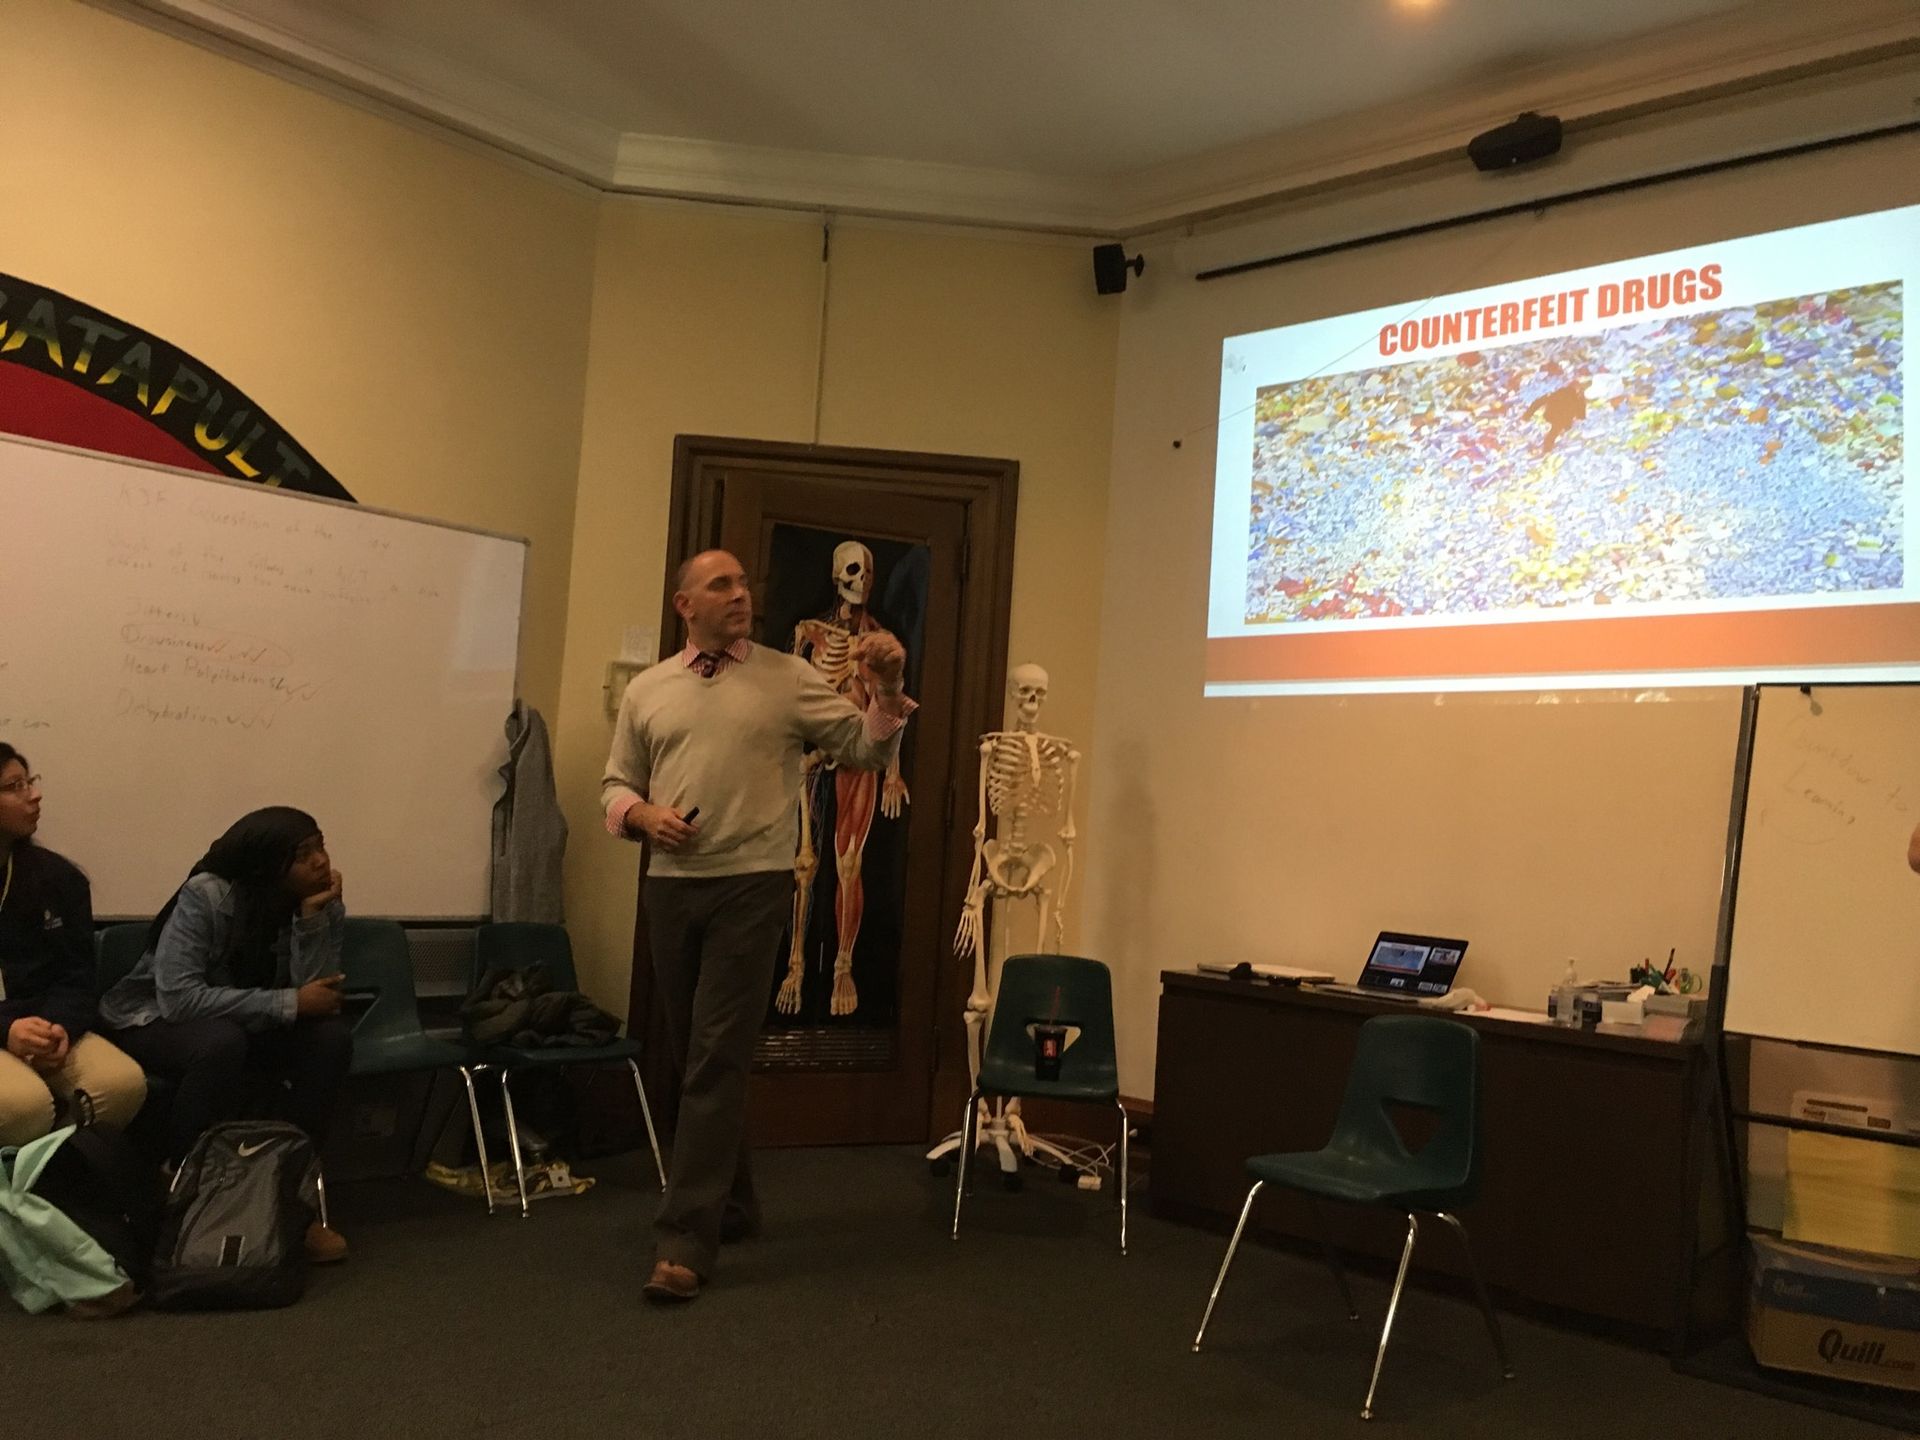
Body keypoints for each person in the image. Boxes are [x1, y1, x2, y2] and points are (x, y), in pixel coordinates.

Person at [604, 549, 913, 1304]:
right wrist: (642, 815)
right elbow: (615, 784)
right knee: (692, 1056)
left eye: (745, 582)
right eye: (722, 585)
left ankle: (684, 1239)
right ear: (686, 606)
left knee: (714, 1056)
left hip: (754, 887)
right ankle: (733, 1204)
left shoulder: (788, 677)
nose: (741, 594)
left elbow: (866, 749)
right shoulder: (649, 690)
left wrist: (891, 687)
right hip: (673, 889)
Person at [99, 807, 352, 1264]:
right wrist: (288, 1003)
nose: (319, 862)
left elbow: (319, 996)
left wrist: (314, 919)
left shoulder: (320, 899)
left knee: (329, 1039)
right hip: (150, 1020)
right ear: (266, 865)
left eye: (320, 846)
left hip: (244, 1022)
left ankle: (285, 1192)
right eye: (302, 855)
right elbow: (179, 998)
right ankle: (188, 1193)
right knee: (220, 1043)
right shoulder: (208, 895)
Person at [0, 745, 147, 1147]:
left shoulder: (58, 879)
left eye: (30, 782)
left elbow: (78, 976)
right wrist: (7, 1029)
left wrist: (59, 1027)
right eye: (14, 786)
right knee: (21, 1105)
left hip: (44, 1023)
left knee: (120, 1085)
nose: (34, 795)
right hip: (9, 1026)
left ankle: (63, 1181)